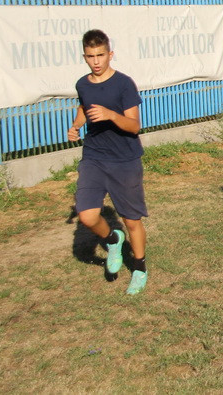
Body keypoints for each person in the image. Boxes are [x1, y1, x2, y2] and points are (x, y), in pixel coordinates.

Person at [67, 29, 149, 295]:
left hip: (124, 160)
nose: (96, 61)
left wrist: (111, 115)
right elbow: (84, 107)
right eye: (90, 56)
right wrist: (76, 126)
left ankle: (139, 268)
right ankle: (113, 240)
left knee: (131, 220)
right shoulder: (82, 84)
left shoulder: (124, 84)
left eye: (100, 55)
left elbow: (134, 126)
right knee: (87, 215)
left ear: (110, 54)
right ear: (84, 57)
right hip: (94, 157)